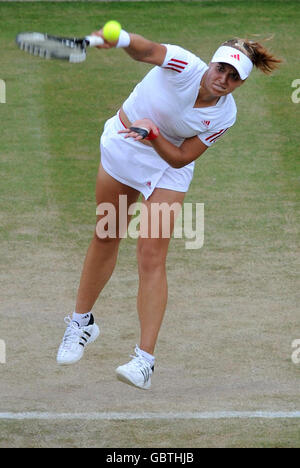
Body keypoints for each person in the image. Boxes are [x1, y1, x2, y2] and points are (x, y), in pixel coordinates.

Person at [56, 27, 281, 389]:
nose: (223, 79)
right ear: (211, 63)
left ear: (240, 83)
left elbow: (180, 158)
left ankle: (143, 362)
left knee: (150, 256)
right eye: (221, 68)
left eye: (234, 76)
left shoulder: (224, 116)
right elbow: (148, 52)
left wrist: (155, 134)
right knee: (106, 234)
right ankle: (81, 323)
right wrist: (123, 39)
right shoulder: (183, 64)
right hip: (124, 144)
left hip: (165, 166)